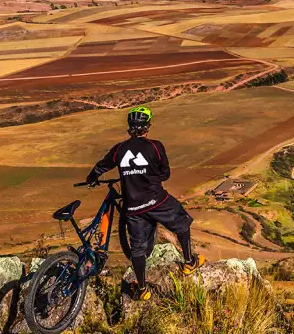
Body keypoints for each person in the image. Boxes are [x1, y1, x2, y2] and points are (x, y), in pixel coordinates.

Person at [86, 106, 205, 301]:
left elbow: (100, 167)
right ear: (148, 126)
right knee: (182, 222)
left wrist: (91, 178)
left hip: (133, 209)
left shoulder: (119, 149)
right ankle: (189, 262)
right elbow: (165, 174)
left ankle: (141, 289)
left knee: (138, 249)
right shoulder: (156, 146)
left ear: (129, 127)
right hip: (157, 201)